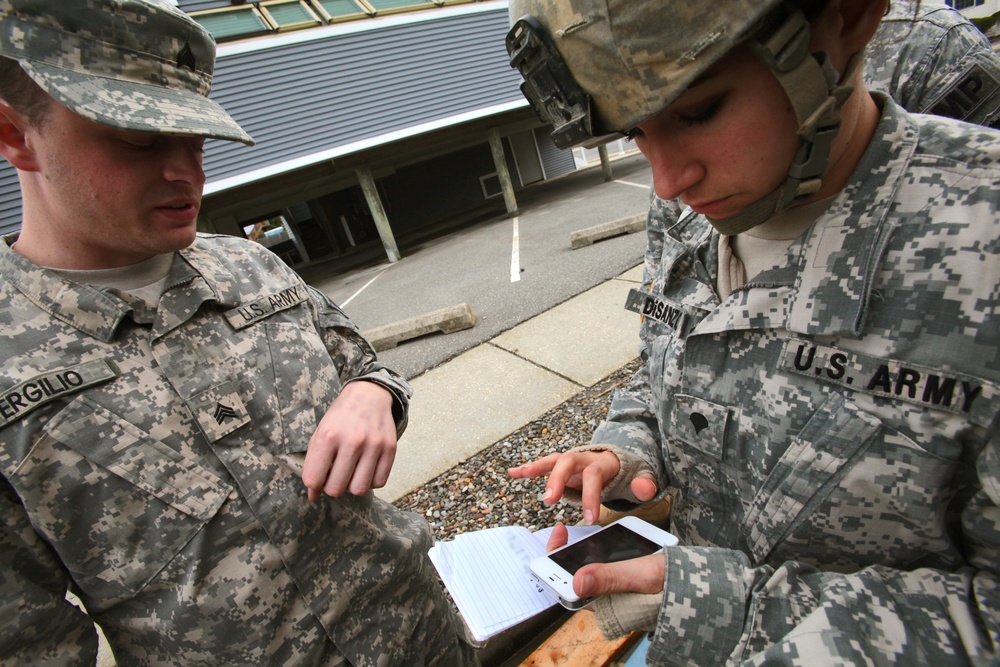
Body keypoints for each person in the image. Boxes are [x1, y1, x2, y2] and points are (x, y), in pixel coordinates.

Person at [505, 0, 1000, 664]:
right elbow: (662, 349)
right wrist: (626, 448)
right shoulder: (685, 218)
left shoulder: (983, 236)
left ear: (849, 18)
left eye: (698, 112)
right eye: (635, 135)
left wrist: (719, 602)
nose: (667, 180)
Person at [0, 0, 477, 664]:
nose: (186, 173)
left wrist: (372, 396)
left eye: (195, 141)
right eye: (139, 141)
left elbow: (365, 366)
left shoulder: (248, 264)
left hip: (427, 642)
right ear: (15, 134)